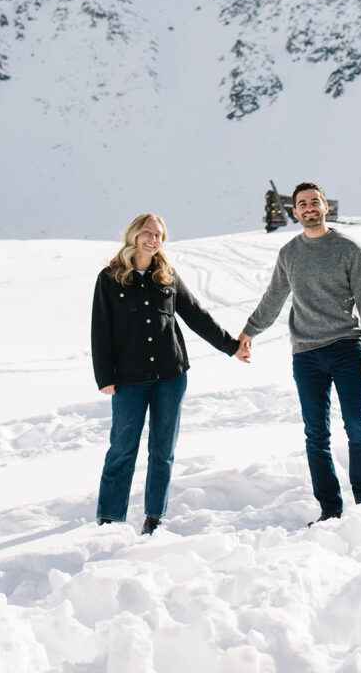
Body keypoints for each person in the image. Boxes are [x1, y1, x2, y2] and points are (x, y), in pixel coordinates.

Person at [91, 213, 250, 535]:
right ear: (134, 235)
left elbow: (197, 316)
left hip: (171, 375)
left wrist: (231, 347)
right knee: (123, 448)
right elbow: (100, 330)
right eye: (148, 233)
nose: (153, 239)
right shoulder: (109, 278)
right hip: (128, 379)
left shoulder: (167, 277)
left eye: (159, 235)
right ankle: (109, 517)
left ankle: (155, 517)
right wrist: (104, 376)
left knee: (162, 451)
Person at [238, 183, 361, 524]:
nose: (309, 208)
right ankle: (330, 509)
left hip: (347, 348)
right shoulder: (289, 253)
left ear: (325, 207)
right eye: (302, 204)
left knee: (357, 427)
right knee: (316, 435)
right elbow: (273, 298)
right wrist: (248, 333)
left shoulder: (349, 248)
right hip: (305, 355)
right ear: (295, 212)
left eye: (314, 202)